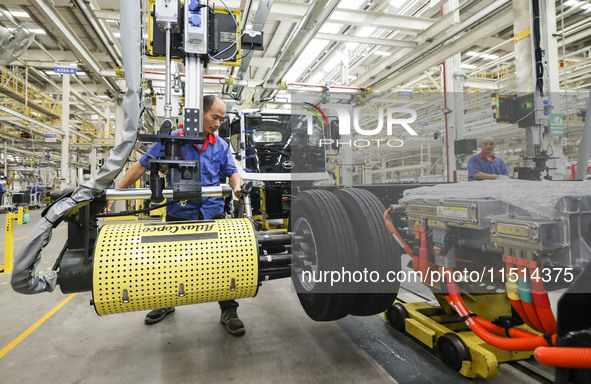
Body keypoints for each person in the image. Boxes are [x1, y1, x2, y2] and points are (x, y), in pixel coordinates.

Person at [107, 95, 245, 336]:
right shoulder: (173, 139)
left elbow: (231, 171)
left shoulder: (220, 145)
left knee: (224, 264)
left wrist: (236, 187)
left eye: (221, 119)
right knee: (169, 264)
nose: (218, 123)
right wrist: (115, 193)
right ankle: (165, 301)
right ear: (199, 113)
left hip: (212, 214)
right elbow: (141, 165)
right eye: (215, 117)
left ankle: (228, 310)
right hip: (180, 213)